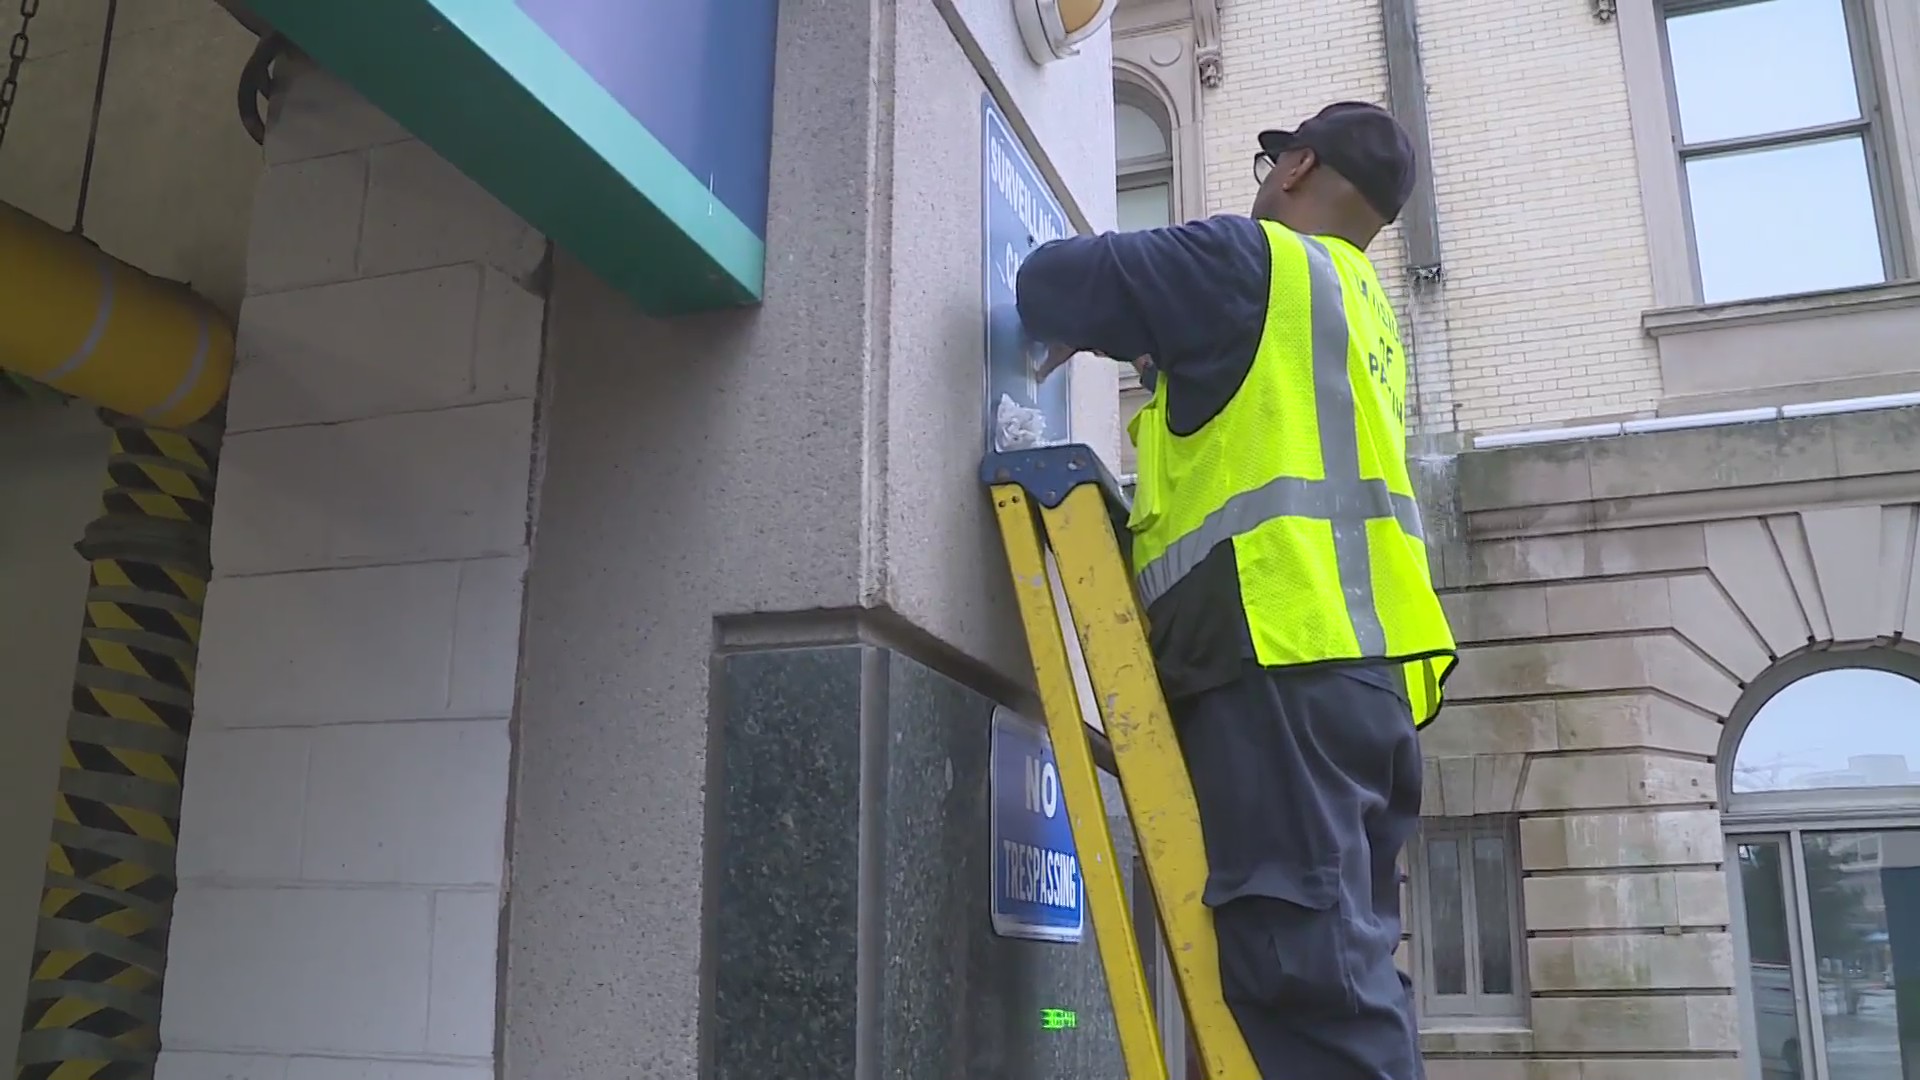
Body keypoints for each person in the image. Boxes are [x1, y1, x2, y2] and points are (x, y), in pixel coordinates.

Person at [1014, 102, 1457, 1079]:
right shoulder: (1364, 310)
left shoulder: (1247, 262)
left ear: (1296, 166)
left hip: (1281, 653)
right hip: (1368, 686)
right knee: (1343, 966)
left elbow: (1052, 281)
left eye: (1270, 160)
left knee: (1308, 984)